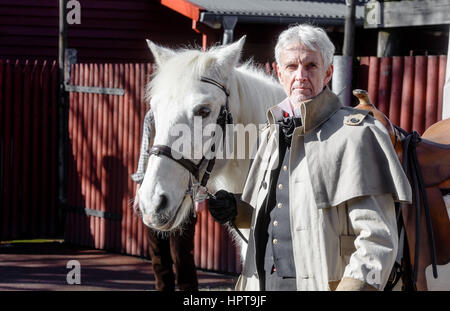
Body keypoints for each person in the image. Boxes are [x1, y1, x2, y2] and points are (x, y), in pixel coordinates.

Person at [207, 24, 412, 291]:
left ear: (328, 73)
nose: (300, 76)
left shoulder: (356, 135)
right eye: (291, 67)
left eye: (311, 66)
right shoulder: (270, 133)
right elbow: (278, 211)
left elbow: (378, 239)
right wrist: (237, 209)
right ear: (279, 73)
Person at [131, 109, 198, 291]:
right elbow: (146, 152)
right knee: (158, 255)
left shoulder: (187, 114)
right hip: (153, 194)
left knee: (181, 254)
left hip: (182, 195)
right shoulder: (152, 115)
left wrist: (198, 193)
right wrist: (139, 188)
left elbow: (198, 153)